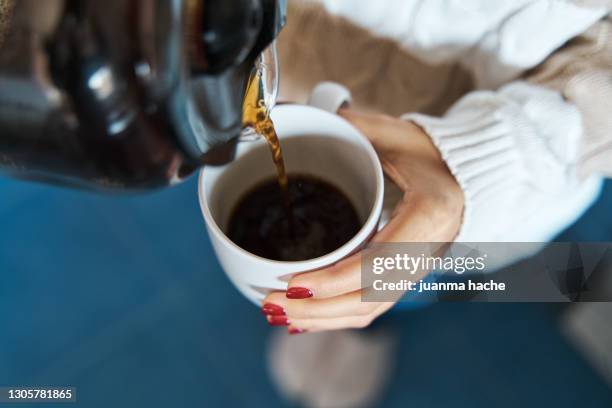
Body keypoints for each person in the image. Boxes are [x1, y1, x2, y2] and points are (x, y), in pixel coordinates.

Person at [259, 0, 612, 334]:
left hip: (505, 192)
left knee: (414, 283)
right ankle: (343, 314)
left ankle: (372, 324)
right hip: (287, 70)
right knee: (366, 286)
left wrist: (484, 158)